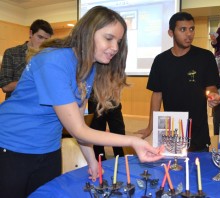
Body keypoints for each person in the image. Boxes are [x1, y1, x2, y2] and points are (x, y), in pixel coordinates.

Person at [0, 6, 163, 198]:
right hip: (12, 147)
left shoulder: (88, 67)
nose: (116, 48)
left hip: (49, 149)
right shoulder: (52, 61)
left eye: (118, 42)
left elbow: (79, 123)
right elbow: (79, 130)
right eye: (109, 38)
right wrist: (132, 141)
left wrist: (92, 161)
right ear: (88, 32)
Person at [136, 12, 220, 152]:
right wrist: (150, 127)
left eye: (191, 29)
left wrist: (213, 96)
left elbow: (211, 87)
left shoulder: (205, 57)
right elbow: (157, 95)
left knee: (197, 171)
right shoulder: (160, 60)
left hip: (198, 131)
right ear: (171, 33)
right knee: (171, 171)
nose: (189, 34)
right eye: (183, 29)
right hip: (171, 130)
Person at [0, 19, 53, 99]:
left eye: (46, 39)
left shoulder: (50, 56)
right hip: (17, 104)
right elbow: (5, 87)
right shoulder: (12, 53)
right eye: (40, 37)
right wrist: (33, 80)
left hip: (41, 105)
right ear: (31, 33)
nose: (43, 42)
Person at [88, 92, 125, 161]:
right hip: (95, 98)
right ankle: (100, 161)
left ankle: (121, 159)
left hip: (113, 97)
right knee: (97, 133)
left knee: (118, 131)